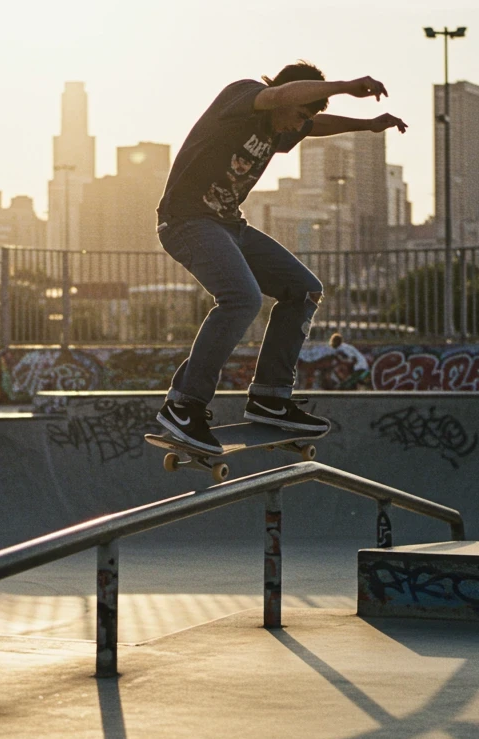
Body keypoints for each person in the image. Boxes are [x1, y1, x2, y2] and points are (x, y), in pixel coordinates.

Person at [153, 61, 407, 452]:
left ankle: (270, 397)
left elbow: (313, 125)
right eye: (298, 114)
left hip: (230, 226)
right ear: (286, 96)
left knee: (304, 290)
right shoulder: (243, 96)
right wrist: (345, 85)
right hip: (186, 220)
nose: (296, 126)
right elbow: (277, 97)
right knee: (242, 299)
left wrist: (368, 125)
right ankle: (183, 404)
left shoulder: (281, 126)